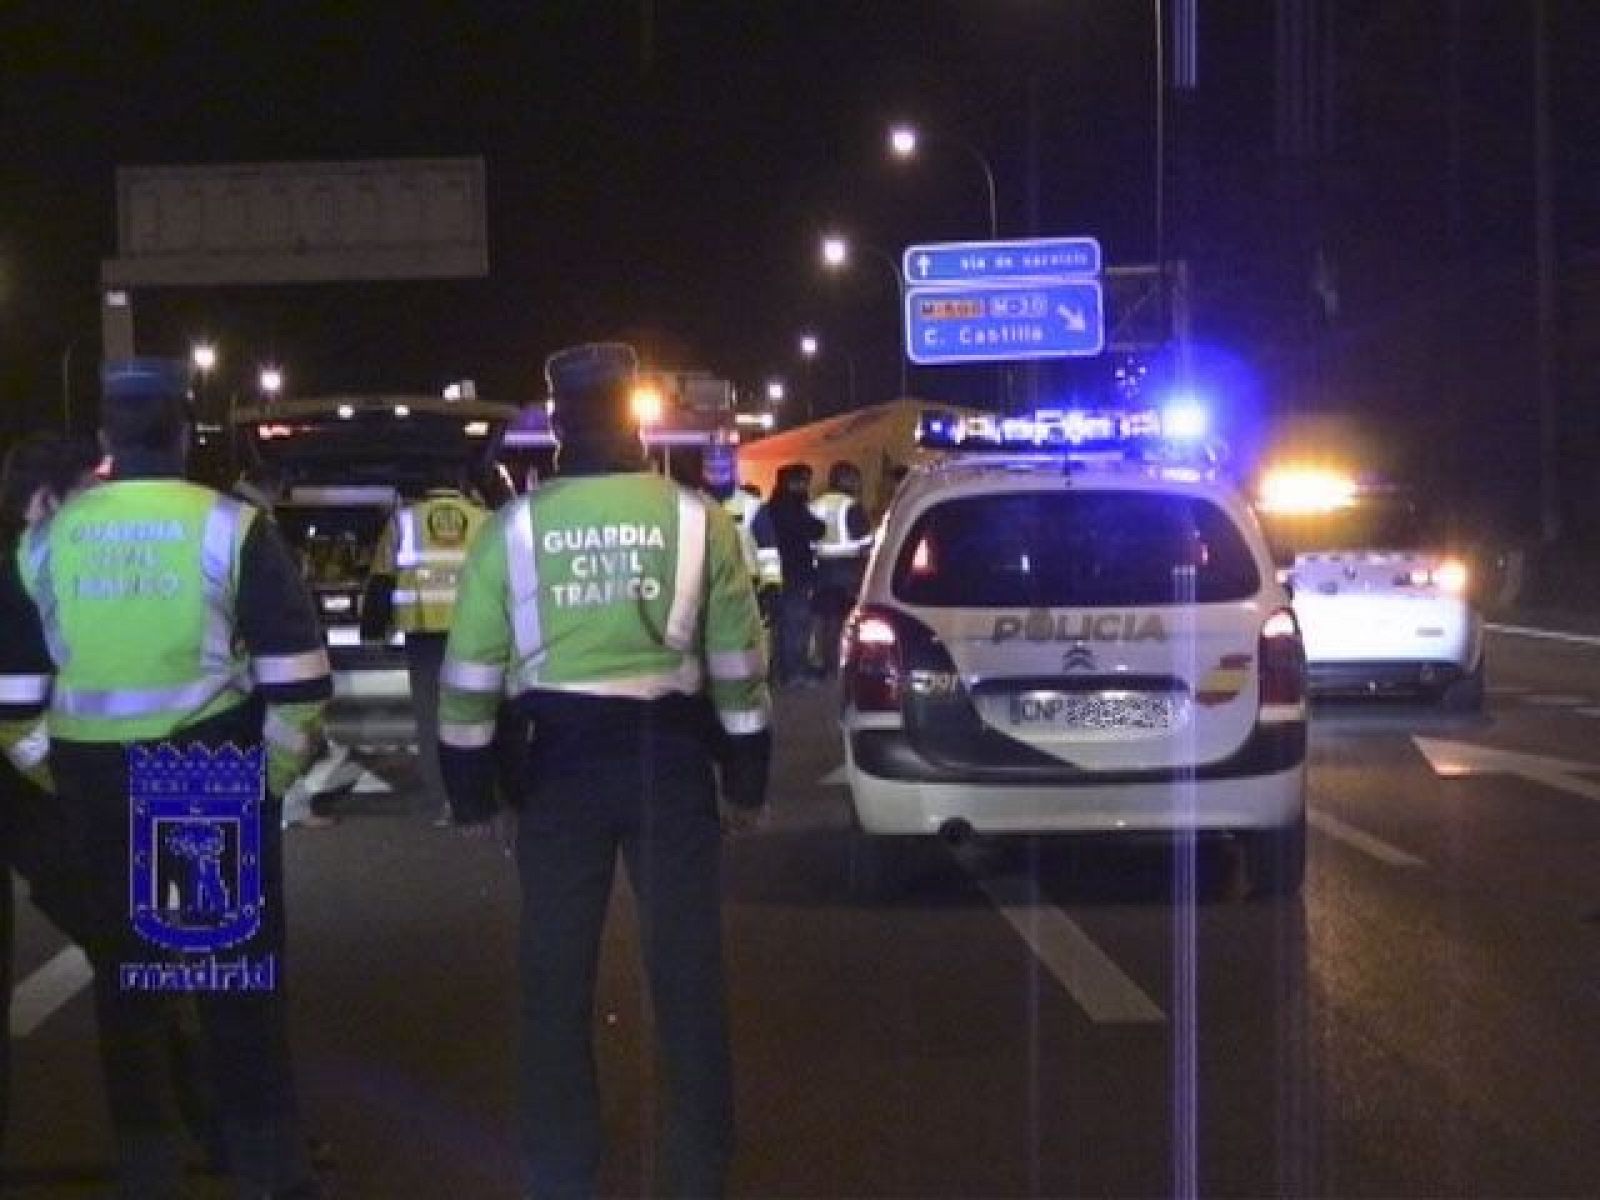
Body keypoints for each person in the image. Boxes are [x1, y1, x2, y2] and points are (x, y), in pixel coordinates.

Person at [438, 342, 771, 1199]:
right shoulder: (699, 519)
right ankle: (697, 1174)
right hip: (671, 764)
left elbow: (471, 675)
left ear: (556, 421)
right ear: (631, 416)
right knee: (688, 979)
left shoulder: (512, 530)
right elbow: (738, 664)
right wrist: (746, 779)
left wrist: (474, 794)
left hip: (557, 771)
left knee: (554, 984)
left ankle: (561, 1175)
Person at [0, 359, 331, 1197]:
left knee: (130, 988)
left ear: (108, 438)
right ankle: (267, 1173)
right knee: (231, 993)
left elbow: (11, 703)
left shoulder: (44, 543)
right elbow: (298, 680)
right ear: (183, 433)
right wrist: (268, 780)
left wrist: (58, 775)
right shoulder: (229, 526)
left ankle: (147, 1173)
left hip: (93, 783)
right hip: (204, 773)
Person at [361, 475, 490, 825]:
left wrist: (372, 629)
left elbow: (383, 577)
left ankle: (445, 802)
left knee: (431, 716)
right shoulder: (483, 518)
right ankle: (480, 797)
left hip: (424, 631)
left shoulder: (404, 519)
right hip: (475, 630)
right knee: (475, 711)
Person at [232, 460, 343, 831]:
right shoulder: (252, 524)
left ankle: (281, 799)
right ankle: (284, 800)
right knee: (288, 724)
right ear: (274, 488)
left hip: (238, 650)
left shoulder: (230, 514)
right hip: (262, 648)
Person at [760, 463, 825, 686]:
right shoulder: (792, 507)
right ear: (792, 483)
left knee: (782, 626)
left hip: (778, 574)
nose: (806, 486)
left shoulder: (773, 506)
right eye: (803, 481)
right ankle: (794, 672)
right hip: (794, 573)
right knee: (796, 624)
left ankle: (780, 671)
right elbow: (815, 529)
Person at [808, 460, 873, 677]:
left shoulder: (815, 504)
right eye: (855, 479)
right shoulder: (851, 506)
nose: (858, 484)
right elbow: (866, 541)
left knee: (824, 620)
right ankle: (839, 668)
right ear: (846, 480)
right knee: (843, 622)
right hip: (847, 569)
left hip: (821, 570)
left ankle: (824, 665)